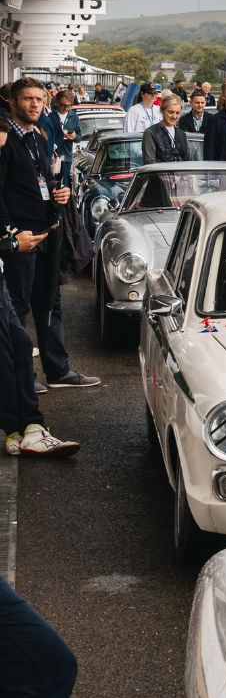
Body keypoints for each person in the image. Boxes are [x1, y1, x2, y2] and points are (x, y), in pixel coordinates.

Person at [0, 79, 100, 391]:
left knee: (50, 303)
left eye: (39, 99)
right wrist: (10, 236)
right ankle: (21, 377)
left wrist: (60, 191)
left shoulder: (39, 137)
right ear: (14, 102)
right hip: (22, 238)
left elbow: (45, 178)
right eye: (27, 99)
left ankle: (58, 370)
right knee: (17, 309)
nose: (34, 104)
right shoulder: (6, 142)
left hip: (46, 234)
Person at [0, 114, 82, 457]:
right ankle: (24, 427)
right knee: (13, 347)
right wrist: (12, 242)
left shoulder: (35, 138)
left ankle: (25, 427)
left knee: (16, 347)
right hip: (15, 249)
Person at [40, 89, 80, 187]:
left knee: (64, 182)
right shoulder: (50, 116)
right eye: (62, 104)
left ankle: (61, 202)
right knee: (50, 180)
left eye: (68, 106)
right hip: (52, 156)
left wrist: (74, 136)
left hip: (66, 155)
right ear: (57, 102)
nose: (65, 108)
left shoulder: (74, 116)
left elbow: (79, 137)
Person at [142, 95, 190, 163]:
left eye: (177, 113)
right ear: (162, 110)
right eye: (170, 112)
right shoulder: (151, 133)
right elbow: (149, 162)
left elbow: (188, 161)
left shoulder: (182, 134)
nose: (174, 116)